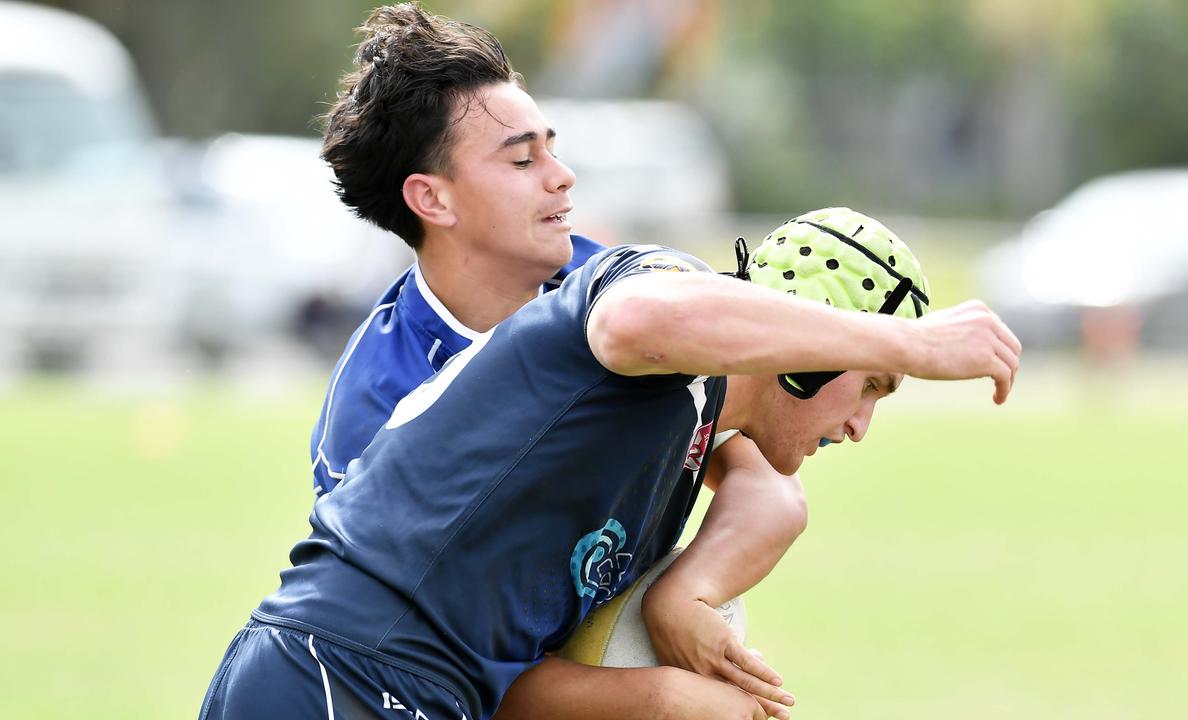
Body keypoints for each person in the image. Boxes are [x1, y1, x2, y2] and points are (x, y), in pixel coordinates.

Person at [200, 202, 1022, 720]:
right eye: (870, 388)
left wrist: (685, 596)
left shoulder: (696, 427)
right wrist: (911, 340)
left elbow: (774, 499)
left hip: (398, 688)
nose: (860, 427)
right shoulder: (660, 293)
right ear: (805, 350)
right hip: (338, 676)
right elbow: (634, 324)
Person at [303, 5, 807, 718]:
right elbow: (434, 664)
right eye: (523, 158)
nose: (563, 177)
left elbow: (769, 487)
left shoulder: (615, 298)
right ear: (432, 199)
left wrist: (684, 592)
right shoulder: (379, 413)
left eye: (553, 148)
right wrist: (660, 697)